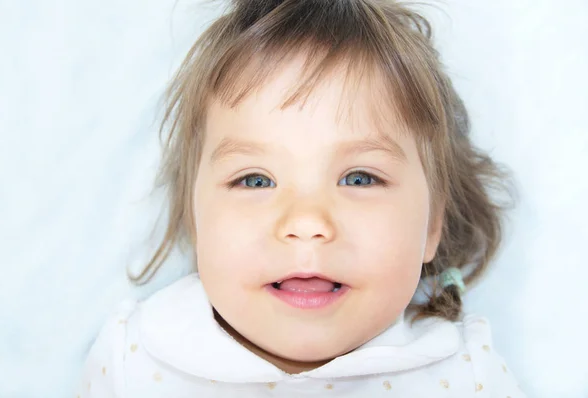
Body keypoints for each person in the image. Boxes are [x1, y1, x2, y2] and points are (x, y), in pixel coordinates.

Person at [77, 0, 526, 396]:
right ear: (197, 220)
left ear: (432, 224)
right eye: (255, 181)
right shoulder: (136, 361)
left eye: (359, 178)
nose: (308, 220)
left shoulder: (469, 377)